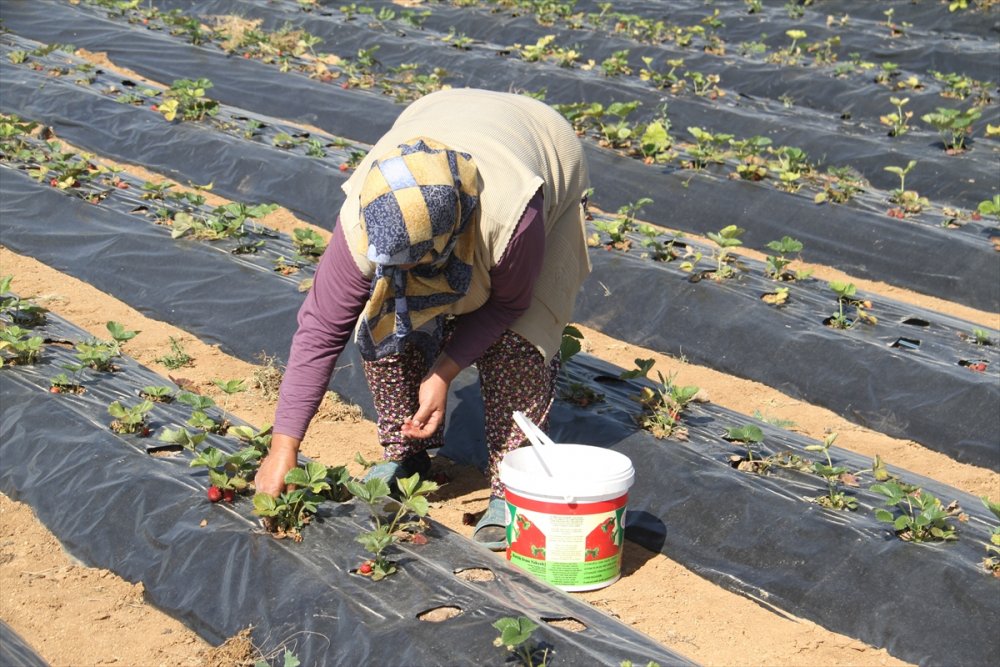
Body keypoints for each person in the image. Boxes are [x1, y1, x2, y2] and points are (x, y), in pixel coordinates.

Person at [254, 88, 591, 550]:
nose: (404, 273)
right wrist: (283, 448)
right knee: (385, 315)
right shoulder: (364, 217)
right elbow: (320, 329)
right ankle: (406, 455)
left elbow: (510, 304)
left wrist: (444, 370)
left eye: (416, 263)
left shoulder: (513, 215)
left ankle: (513, 485)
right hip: (440, 115)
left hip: (538, 144)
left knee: (519, 340)